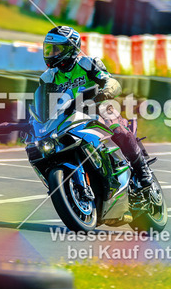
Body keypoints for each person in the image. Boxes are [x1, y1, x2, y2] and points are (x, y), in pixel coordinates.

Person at [40, 25, 154, 191]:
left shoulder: (88, 63)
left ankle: (142, 169)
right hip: (68, 116)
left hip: (97, 106)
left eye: (57, 49)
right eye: (49, 49)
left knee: (118, 130)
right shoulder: (48, 78)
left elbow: (111, 81)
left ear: (71, 49)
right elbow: (42, 104)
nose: (51, 53)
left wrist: (105, 92)